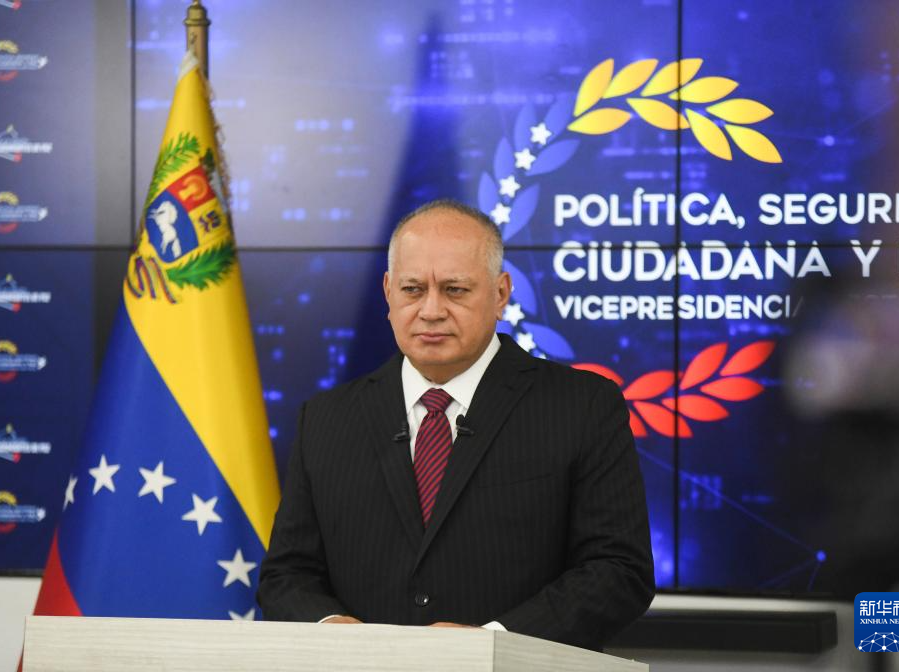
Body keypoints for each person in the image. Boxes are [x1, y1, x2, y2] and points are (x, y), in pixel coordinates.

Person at [257, 199, 654, 651]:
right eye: (412, 289)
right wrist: (332, 629)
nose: (431, 310)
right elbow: (286, 575)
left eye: (455, 290)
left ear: (500, 293)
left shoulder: (583, 406)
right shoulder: (326, 418)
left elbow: (618, 570)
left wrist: (492, 644)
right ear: (388, 292)